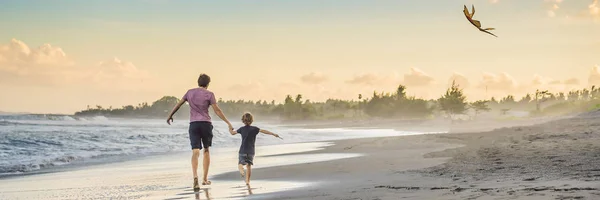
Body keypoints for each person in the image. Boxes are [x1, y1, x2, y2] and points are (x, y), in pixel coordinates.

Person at [166, 73, 234, 190]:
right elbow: (217, 110)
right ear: (208, 83)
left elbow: (178, 104)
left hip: (194, 124)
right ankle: (204, 179)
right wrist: (228, 123)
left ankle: (195, 177)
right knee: (206, 150)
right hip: (206, 124)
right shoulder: (209, 94)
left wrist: (170, 115)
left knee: (195, 151)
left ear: (198, 82)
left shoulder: (189, 92)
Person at [229, 112, 281, 185]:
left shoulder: (241, 129)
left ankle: (241, 169)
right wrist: (273, 134)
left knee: (241, 163)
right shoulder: (255, 129)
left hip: (243, 150)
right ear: (251, 120)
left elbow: (232, 133)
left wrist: (229, 127)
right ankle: (247, 181)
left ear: (243, 121)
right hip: (251, 151)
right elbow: (264, 131)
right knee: (249, 166)